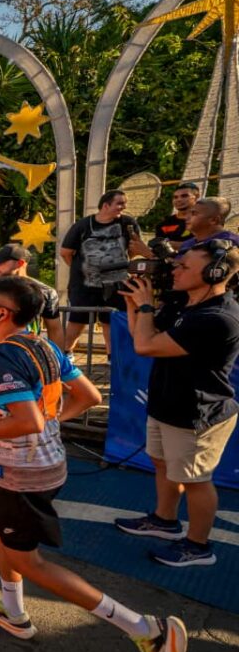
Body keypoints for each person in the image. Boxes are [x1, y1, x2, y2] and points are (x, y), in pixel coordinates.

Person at [0, 276, 187, 652]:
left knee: (29, 561)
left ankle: (146, 629)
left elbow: (28, 420)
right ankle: (13, 612)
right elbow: (89, 396)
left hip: (24, 473)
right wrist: (50, 424)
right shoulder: (44, 345)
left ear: (2, 314)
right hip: (36, 464)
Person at [114, 239, 239, 567]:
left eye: (184, 266)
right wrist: (133, 304)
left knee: (196, 481)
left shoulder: (218, 317)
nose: (174, 270)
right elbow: (141, 335)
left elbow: (146, 346)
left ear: (214, 273)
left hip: (197, 412)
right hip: (167, 404)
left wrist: (145, 306)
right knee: (162, 463)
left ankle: (198, 546)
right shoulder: (183, 303)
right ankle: (165, 520)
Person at [0, 244, 63, 486]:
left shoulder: (46, 292)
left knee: (27, 413)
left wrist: (59, 360)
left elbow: (55, 328)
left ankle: (26, 462)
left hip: (28, 364)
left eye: (1, 262)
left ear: (20, 263)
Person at [59, 189, 144, 354]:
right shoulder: (83, 225)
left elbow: (134, 248)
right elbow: (65, 252)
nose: (123, 207)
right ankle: (65, 356)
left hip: (116, 283)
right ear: (106, 205)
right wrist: (81, 270)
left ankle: (113, 358)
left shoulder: (128, 223)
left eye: (124, 203)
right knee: (77, 321)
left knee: (111, 321)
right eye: (120, 203)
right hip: (84, 285)